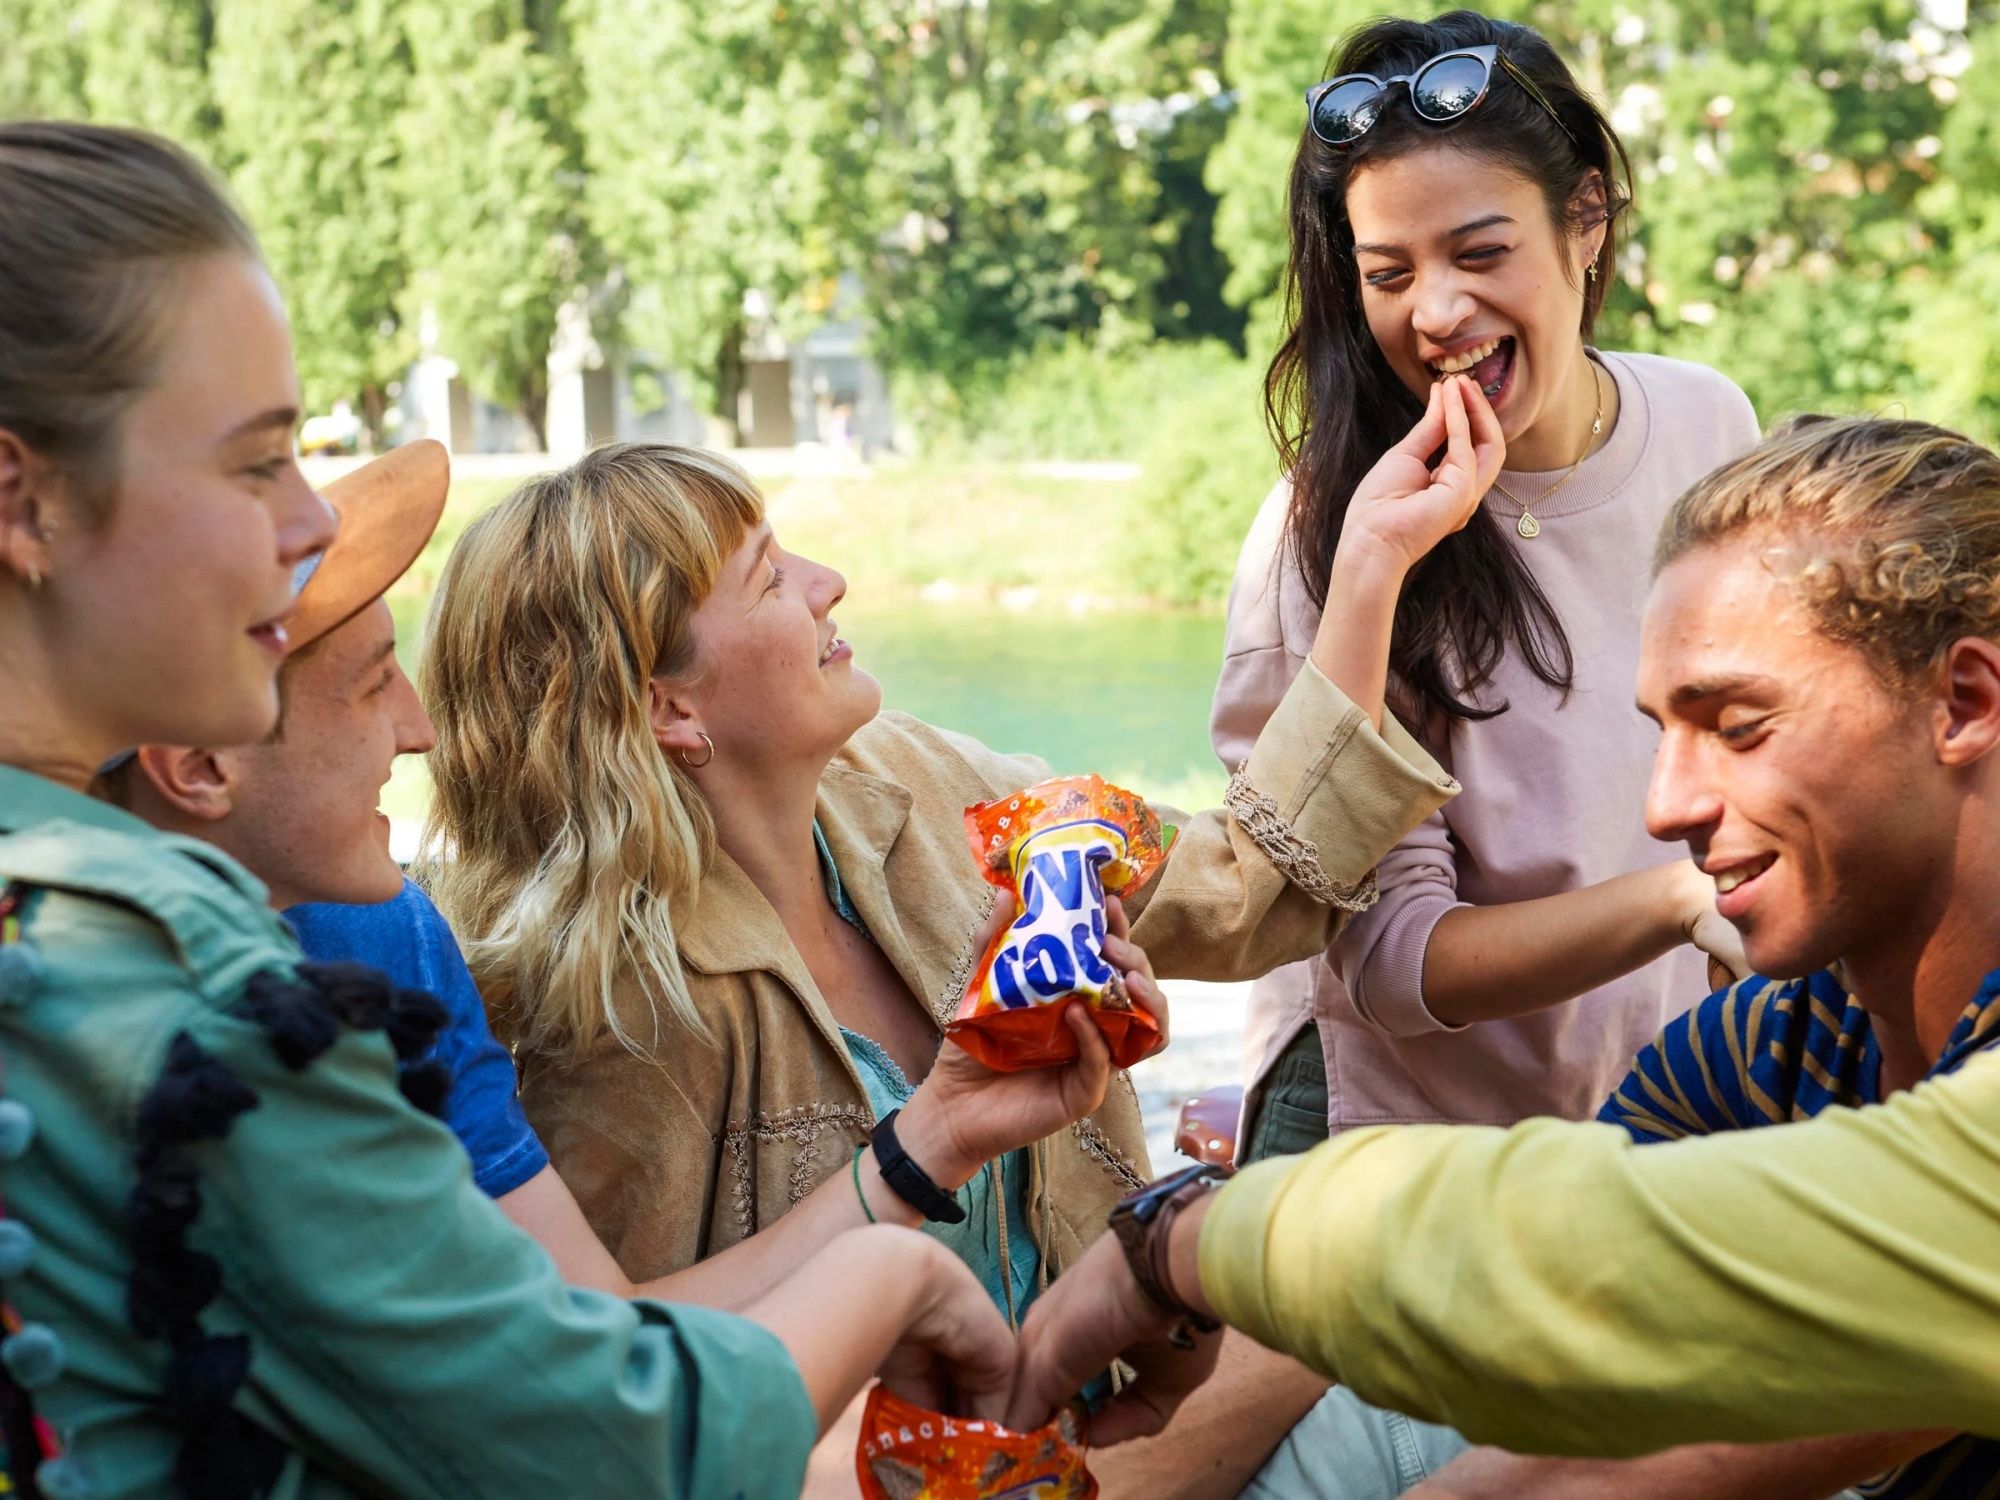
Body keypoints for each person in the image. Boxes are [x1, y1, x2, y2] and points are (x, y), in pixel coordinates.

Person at [0, 119, 1011, 1500]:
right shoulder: (191, 990)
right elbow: (605, 1445)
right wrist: (895, 1277)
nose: (307, 530)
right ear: (24, 502)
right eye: (253, 465)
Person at [418, 379, 1494, 1494]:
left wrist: (1369, 567)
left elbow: (1242, 886)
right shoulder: (601, 1005)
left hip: (1106, 1421)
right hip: (901, 1476)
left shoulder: (914, 781)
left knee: (1418, 1311)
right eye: (771, 578)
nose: (828, 584)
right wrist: (928, 1138)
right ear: (668, 711)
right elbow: (608, 1386)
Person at [1002, 417, 2000, 1467]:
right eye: (1662, 732)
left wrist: (1176, 1247)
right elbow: (1585, 1324)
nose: (1664, 807)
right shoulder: (1766, 1046)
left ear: (1963, 702)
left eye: (1739, 727)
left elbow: (1585, 1273)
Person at [1212, 9, 1756, 1166]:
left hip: (1658, 1110)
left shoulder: (1709, 422)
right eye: (1387, 274)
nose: (1435, 314)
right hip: (1405, 1142)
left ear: (1586, 220)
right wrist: (1673, 901)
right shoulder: (1330, 533)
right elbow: (1396, 963)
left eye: (1478, 252)